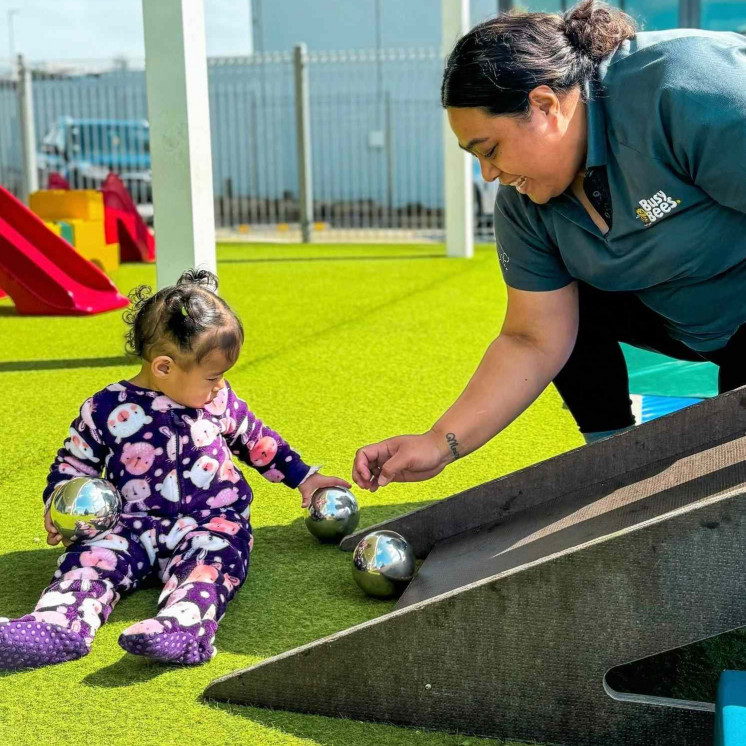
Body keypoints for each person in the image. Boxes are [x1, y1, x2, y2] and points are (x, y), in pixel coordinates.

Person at [353, 0, 746, 492]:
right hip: (678, 320)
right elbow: (532, 338)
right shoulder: (523, 202)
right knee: (570, 306)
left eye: (490, 150)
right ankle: (616, 469)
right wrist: (438, 442)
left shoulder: (692, 90)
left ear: (545, 105)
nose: (489, 174)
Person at [0, 269, 349, 669]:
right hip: (128, 525)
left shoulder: (218, 402)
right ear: (164, 367)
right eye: (213, 377)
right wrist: (58, 509)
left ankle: (183, 628)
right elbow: (73, 463)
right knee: (86, 563)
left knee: (211, 566)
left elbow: (257, 440)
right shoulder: (106, 408)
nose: (221, 386)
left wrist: (304, 477)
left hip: (209, 521)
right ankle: (59, 626)